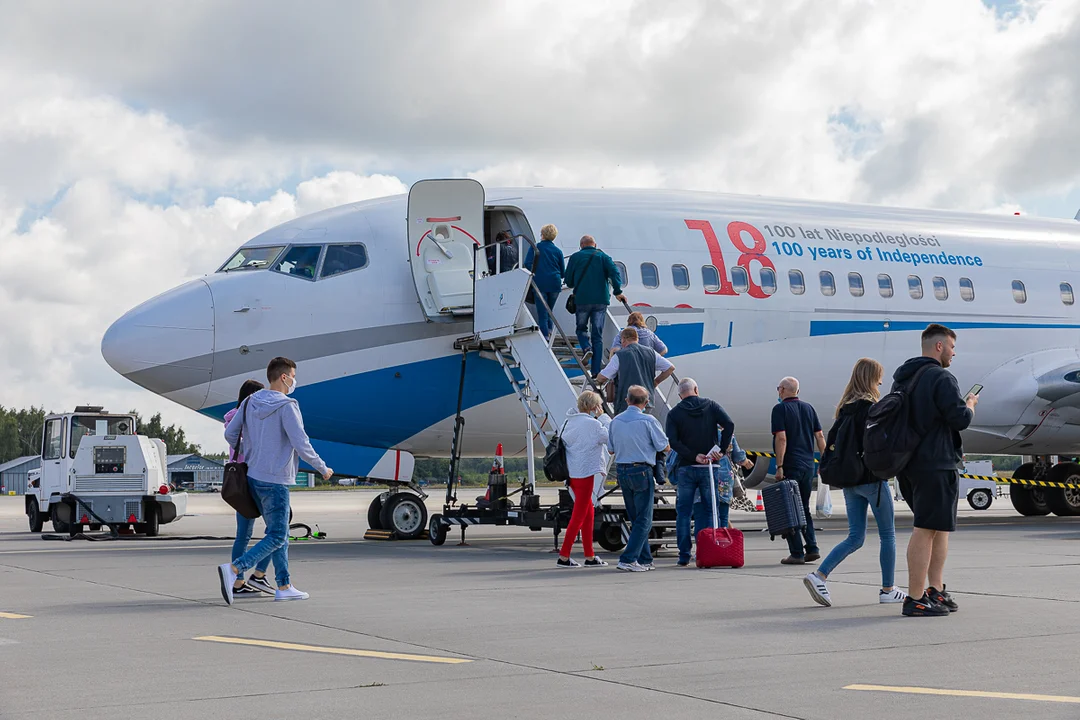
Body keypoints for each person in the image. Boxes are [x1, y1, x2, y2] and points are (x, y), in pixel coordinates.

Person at [218, 357, 334, 605]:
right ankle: (236, 569)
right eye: (292, 375)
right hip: (275, 480)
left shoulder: (250, 401)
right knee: (279, 535)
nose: (294, 380)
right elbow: (301, 443)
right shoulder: (287, 405)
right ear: (284, 377)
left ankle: (284, 585)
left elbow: (230, 434)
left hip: (252, 476)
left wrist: (252, 449)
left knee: (276, 532)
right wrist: (323, 468)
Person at [802, 359, 908, 608]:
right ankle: (887, 589)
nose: (881, 382)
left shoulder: (844, 409)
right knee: (888, 535)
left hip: (850, 481)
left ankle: (819, 576)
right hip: (872, 480)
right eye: (879, 377)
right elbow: (878, 443)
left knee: (855, 537)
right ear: (871, 378)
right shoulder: (872, 407)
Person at [894, 324, 977, 617]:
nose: (954, 354)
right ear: (939, 347)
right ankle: (915, 597)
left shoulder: (904, 378)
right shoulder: (941, 377)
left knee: (937, 528)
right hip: (936, 463)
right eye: (952, 348)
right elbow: (959, 419)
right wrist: (969, 405)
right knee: (926, 529)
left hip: (910, 464)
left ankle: (935, 590)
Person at [665, 377, 735, 567]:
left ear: (680, 394)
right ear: (696, 389)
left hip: (687, 467)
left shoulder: (675, 414)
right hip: (709, 466)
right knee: (711, 510)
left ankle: (684, 555)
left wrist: (693, 455)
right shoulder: (711, 405)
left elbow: (673, 442)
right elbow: (729, 424)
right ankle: (707, 550)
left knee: (684, 513)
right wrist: (720, 450)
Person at [607, 385, 670, 572]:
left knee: (636, 518)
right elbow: (664, 446)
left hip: (622, 470)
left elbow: (610, 449)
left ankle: (644, 559)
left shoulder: (615, 421)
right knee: (644, 519)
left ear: (627, 400)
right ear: (646, 403)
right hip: (641, 470)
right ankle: (628, 558)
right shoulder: (648, 420)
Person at [223, 379, 274, 597]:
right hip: (258, 478)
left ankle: (237, 583)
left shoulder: (231, 419)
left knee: (243, 534)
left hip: (241, 483)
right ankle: (259, 574)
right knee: (277, 530)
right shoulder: (252, 419)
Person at [772, 376, 826, 565]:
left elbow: (782, 438)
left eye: (779, 388)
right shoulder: (809, 408)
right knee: (803, 508)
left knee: (789, 509)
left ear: (783, 390)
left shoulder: (780, 409)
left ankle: (796, 552)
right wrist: (824, 460)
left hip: (791, 465)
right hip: (808, 465)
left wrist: (779, 466)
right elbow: (819, 436)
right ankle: (812, 547)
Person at [557, 391, 611, 568]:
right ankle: (563, 556)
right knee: (578, 516)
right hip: (586, 473)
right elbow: (609, 437)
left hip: (572, 473)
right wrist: (602, 416)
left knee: (588, 513)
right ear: (594, 406)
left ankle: (590, 556)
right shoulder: (593, 424)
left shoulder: (568, 422)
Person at [564, 235, 627, 376]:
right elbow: (615, 273)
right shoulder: (603, 257)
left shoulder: (575, 257)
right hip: (600, 301)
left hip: (582, 300)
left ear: (581, 245)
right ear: (595, 244)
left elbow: (568, 281)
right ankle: (595, 371)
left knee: (581, 329)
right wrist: (617, 292)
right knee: (597, 336)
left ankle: (586, 348)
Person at [596, 328, 676, 415]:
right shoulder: (651, 352)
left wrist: (598, 379)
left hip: (626, 403)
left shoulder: (619, 356)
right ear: (637, 339)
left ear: (623, 339)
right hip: (646, 402)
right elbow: (670, 368)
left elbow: (603, 376)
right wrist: (656, 382)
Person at [524, 223, 565, 339]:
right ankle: (550, 331)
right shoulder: (558, 251)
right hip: (555, 284)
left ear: (542, 235)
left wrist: (535, 272)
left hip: (540, 283)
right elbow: (563, 272)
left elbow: (527, 263)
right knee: (549, 311)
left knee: (542, 313)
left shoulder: (535, 248)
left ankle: (545, 337)